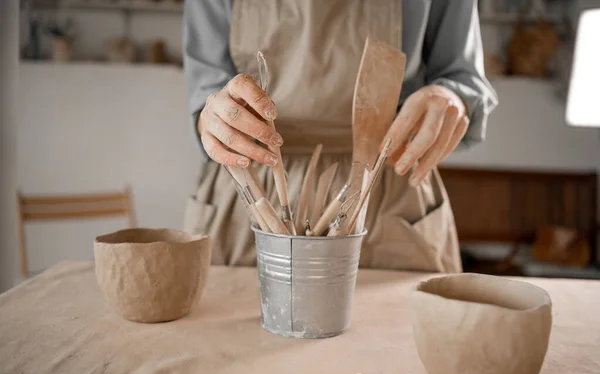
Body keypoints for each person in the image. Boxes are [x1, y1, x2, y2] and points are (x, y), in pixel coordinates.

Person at [182, 1, 498, 272]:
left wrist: (453, 97)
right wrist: (212, 116)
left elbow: (463, 78)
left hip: (389, 187)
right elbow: (207, 91)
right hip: (250, 185)